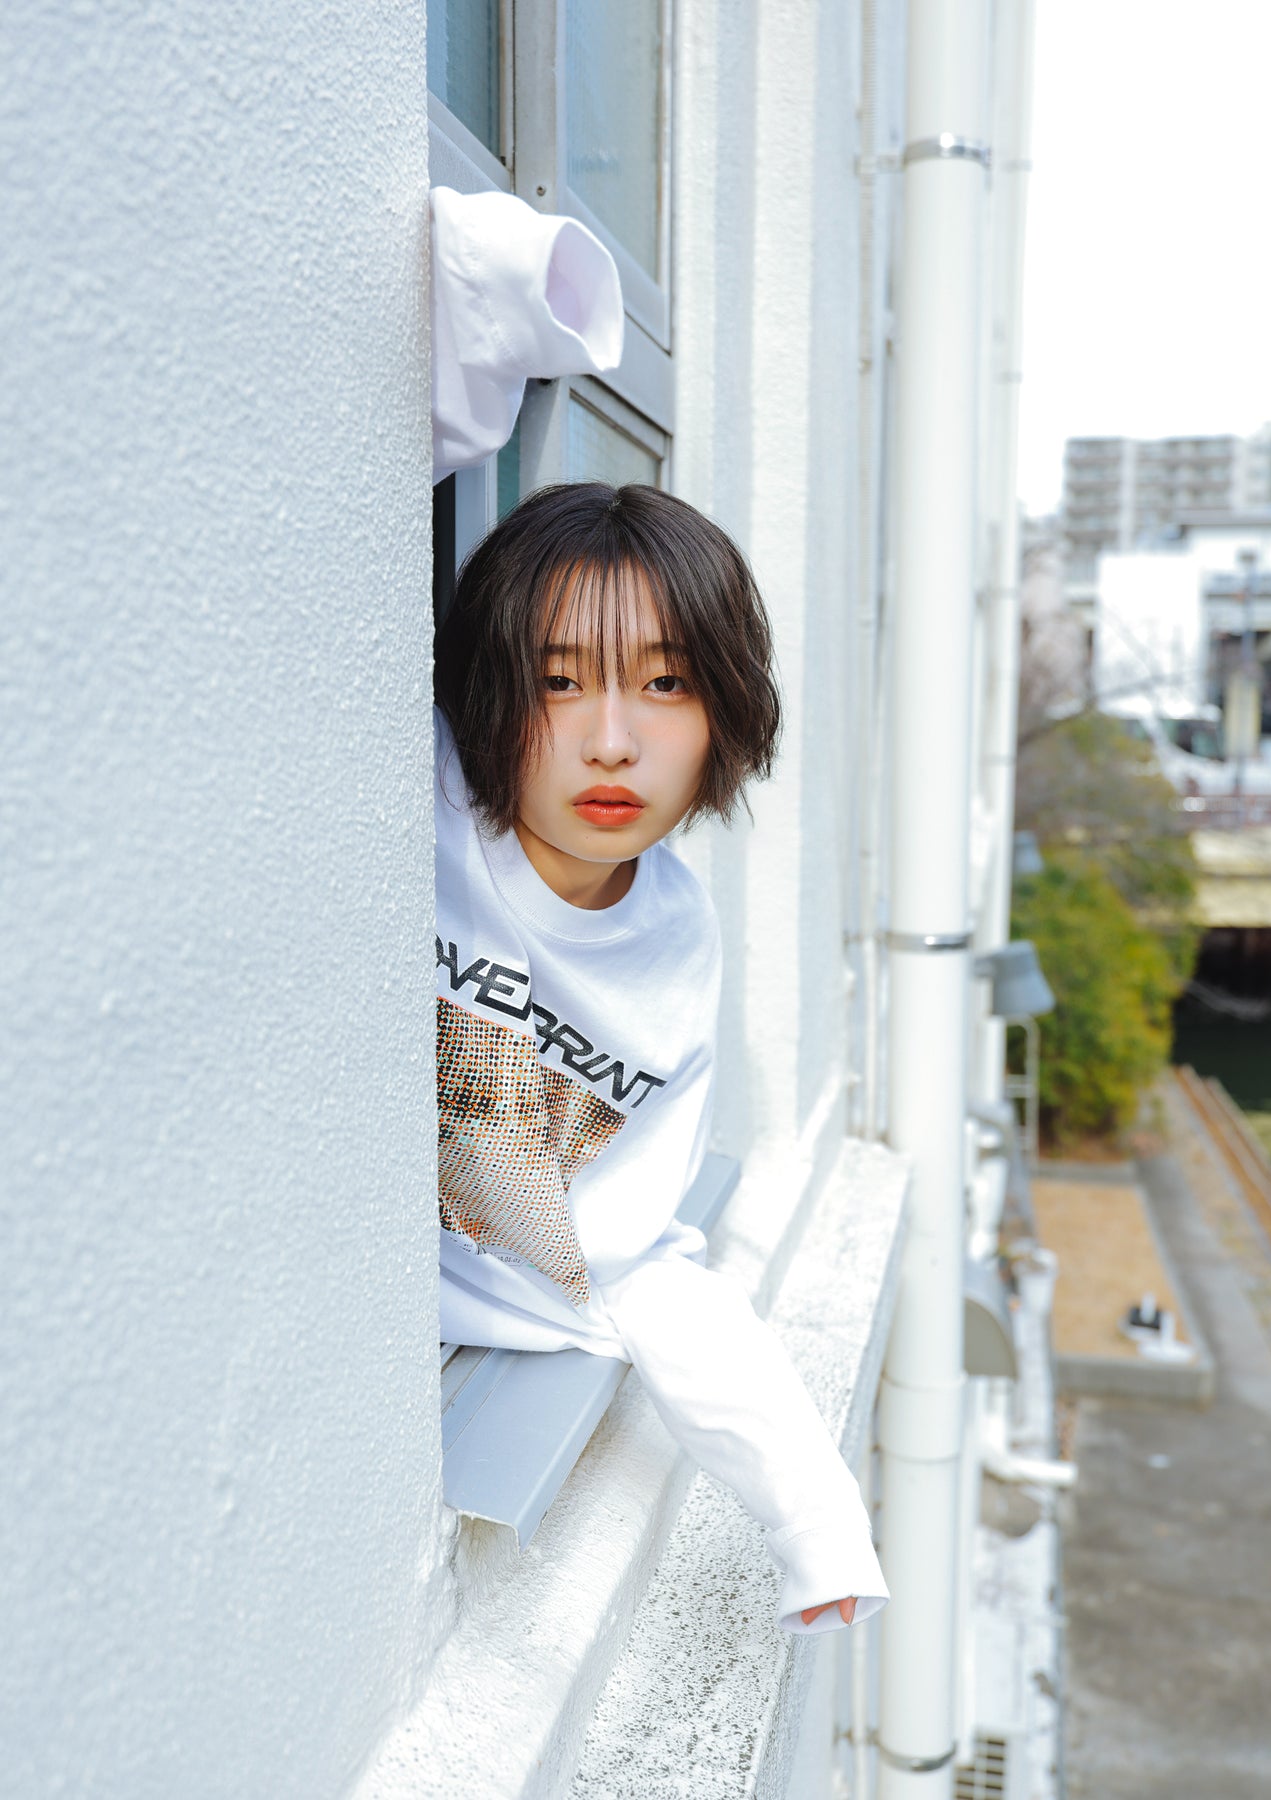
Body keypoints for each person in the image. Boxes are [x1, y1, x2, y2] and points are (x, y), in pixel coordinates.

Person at [433, 481, 888, 1635]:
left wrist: (814, 1520)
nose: (612, 740)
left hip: (467, 1397)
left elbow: (635, 1260)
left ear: (725, 709)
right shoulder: (400, 806)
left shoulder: (674, 949)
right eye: (558, 681)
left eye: (665, 683)